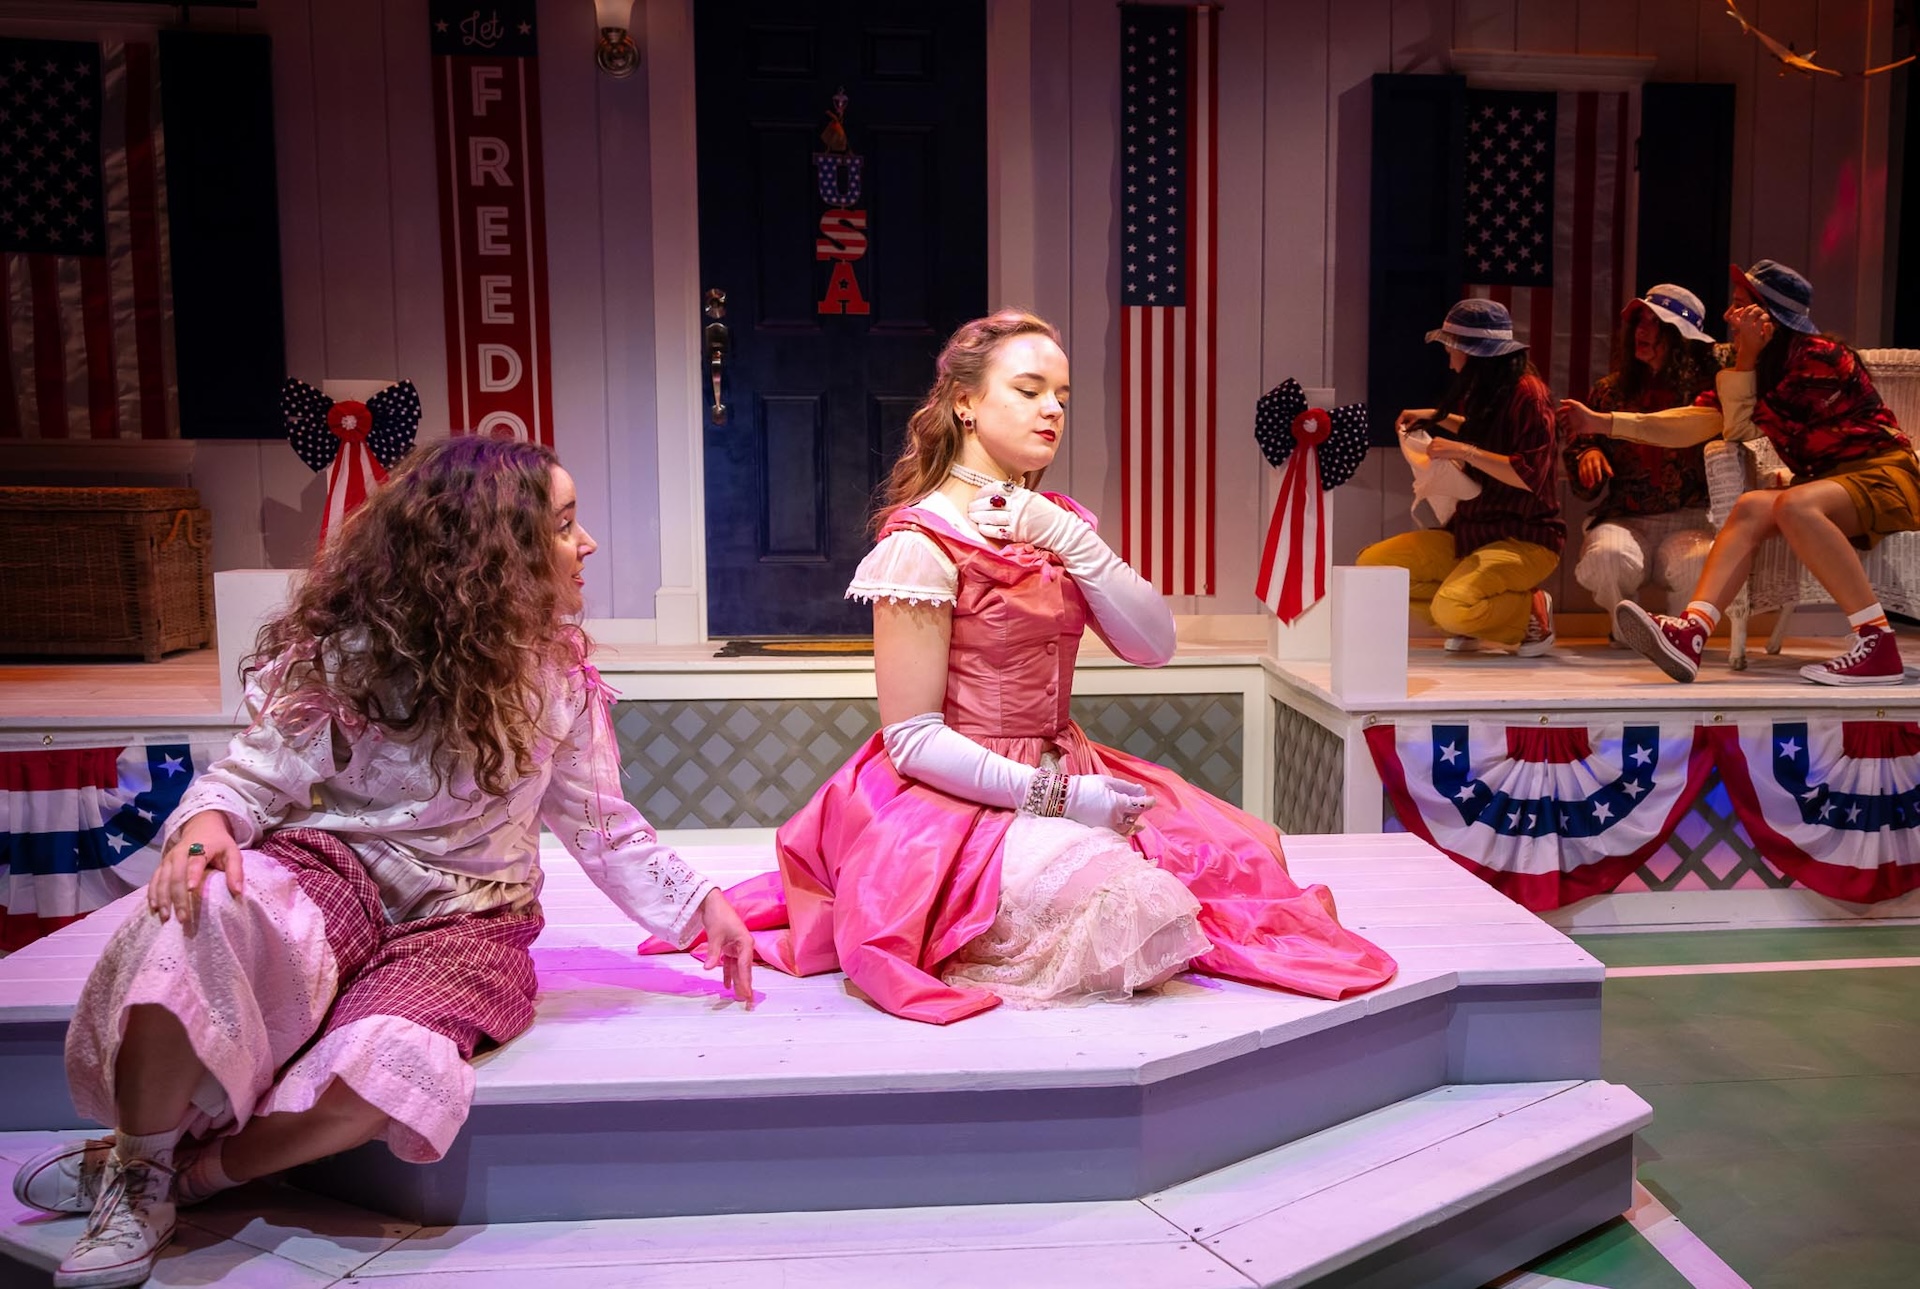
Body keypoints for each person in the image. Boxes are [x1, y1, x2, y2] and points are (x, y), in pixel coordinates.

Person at [12, 437, 755, 1289]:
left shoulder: (557, 674)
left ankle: (182, 1176)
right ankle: (137, 1175)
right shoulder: (361, 656)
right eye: (563, 526)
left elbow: (601, 823)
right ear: (492, 551)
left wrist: (701, 907)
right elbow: (254, 775)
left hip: (469, 919)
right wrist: (206, 824)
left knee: (395, 1067)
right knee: (203, 912)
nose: (585, 545)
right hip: (341, 869)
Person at [645, 310, 1396, 1023]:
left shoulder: (1056, 525)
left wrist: (1068, 534)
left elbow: (1152, 644)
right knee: (1134, 911)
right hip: (948, 796)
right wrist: (1062, 798)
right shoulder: (922, 542)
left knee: (1237, 860)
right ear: (966, 404)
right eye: (1029, 390)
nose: (1053, 411)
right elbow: (911, 738)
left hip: (1063, 757)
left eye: (1063, 397)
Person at [1563, 260, 1918, 685]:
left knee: (1794, 505)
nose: (1729, 317)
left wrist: (1746, 358)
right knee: (1751, 506)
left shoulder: (1820, 358)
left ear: (1767, 316)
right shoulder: (1753, 365)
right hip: (1827, 486)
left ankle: (1877, 642)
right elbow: (1695, 421)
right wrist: (1606, 424)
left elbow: (1740, 425)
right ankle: (1692, 632)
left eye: (1739, 306)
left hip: (1883, 476)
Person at [1357, 299, 1564, 655]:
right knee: (1373, 569)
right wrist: (1437, 417)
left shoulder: (1529, 395)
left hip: (1525, 536)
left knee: (1450, 609)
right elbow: (1486, 431)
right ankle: (1472, 607)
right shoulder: (1489, 390)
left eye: (1451, 345)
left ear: (1473, 352)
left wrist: (1462, 451)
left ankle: (1526, 612)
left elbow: (1528, 473)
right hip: (1474, 530)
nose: (1448, 354)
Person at [1558, 286, 1719, 638]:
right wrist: (1590, 453)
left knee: (1701, 562)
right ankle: (1626, 628)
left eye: (1655, 322)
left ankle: (1682, 635)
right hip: (1627, 517)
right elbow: (1582, 445)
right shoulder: (1610, 391)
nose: (1641, 330)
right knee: (1607, 557)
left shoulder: (1707, 391)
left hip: (1690, 517)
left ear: (1679, 337)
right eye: (1638, 322)